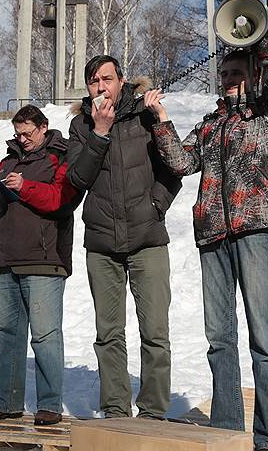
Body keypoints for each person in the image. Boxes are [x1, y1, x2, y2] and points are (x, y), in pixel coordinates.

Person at [151, 40, 268, 451]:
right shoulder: (210, 124)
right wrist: (161, 119)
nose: (230, 80)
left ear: (252, 76)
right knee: (219, 339)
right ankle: (227, 434)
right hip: (212, 234)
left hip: (255, 229)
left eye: (237, 73)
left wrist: (256, 41)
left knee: (264, 341)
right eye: (226, 75)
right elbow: (180, 163)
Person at [66, 56, 182, 420]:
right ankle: (115, 410)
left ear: (122, 81)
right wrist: (99, 133)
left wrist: (155, 206)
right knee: (108, 333)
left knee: (155, 331)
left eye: (107, 79)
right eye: (94, 81)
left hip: (147, 238)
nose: (101, 87)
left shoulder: (145, 115)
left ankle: (152, 411)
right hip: (102, 244)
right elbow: (77, 179)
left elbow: (174, 169)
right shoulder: (81, 126)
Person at [0, 105, 80, 426]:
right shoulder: (8, 159)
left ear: (43, 127)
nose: (22, 139)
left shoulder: (60, 155)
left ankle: (49, 405)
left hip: (45, 258)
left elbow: (61, 199)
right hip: (8, 257)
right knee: (8, 334)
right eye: (18, 133)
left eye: (28, 133)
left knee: (45, 335)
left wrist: (26, 187)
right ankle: (5, 402)